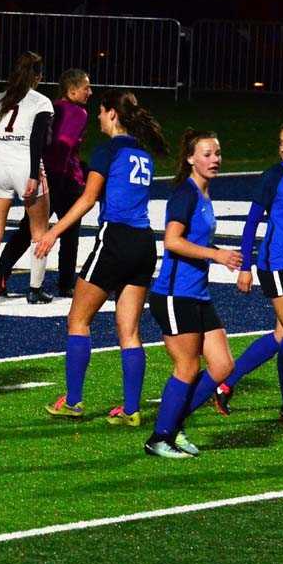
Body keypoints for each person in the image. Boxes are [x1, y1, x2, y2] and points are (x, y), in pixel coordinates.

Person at [36, 89, 167, 423]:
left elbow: (89, 198)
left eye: (101, 111)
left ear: (112, 114)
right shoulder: (143, 153)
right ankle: (132, 410)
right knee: (130, 331)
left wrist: (53, 231)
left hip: (116, 240)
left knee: (78, 320)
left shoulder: (107, 150)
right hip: (144, 243)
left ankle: (73, 402)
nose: (96, 117)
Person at [214, 119, 283, 423]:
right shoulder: (274, 176)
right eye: (281, 143)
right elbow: (252, 222)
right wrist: (246, 267)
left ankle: (225, 383)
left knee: (282, 334)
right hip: (276, 262)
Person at [144, 130, 242, 457]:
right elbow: (171, 241)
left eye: (217, 153)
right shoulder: (185, 194)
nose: (215, 159)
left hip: (197, 294)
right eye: (207, 154)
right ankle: (159, 437)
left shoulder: (204, 194)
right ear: (190, 159)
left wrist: (220, 253)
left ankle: (174, 424)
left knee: (223, 365)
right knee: (186, 367)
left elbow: (195, 242)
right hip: (175, 295)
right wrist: (216, 255)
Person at [0, 69, 92, 297]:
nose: (90, 92)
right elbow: (64, 143)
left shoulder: (51, 107)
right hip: (64, 178)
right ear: (72, 90)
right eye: (86, 87)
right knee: (69, 231)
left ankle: (1, 273)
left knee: (27, 229)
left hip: (44, 173)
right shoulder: (78, 112)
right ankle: (66, 283)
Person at [0, 51, 54, 306]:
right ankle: (34, 289)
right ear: (38, 76)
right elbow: (39, 141)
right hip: (25, 164)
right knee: (39, 231)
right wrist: (33, 174)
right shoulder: (40, 102)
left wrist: (1, 151)